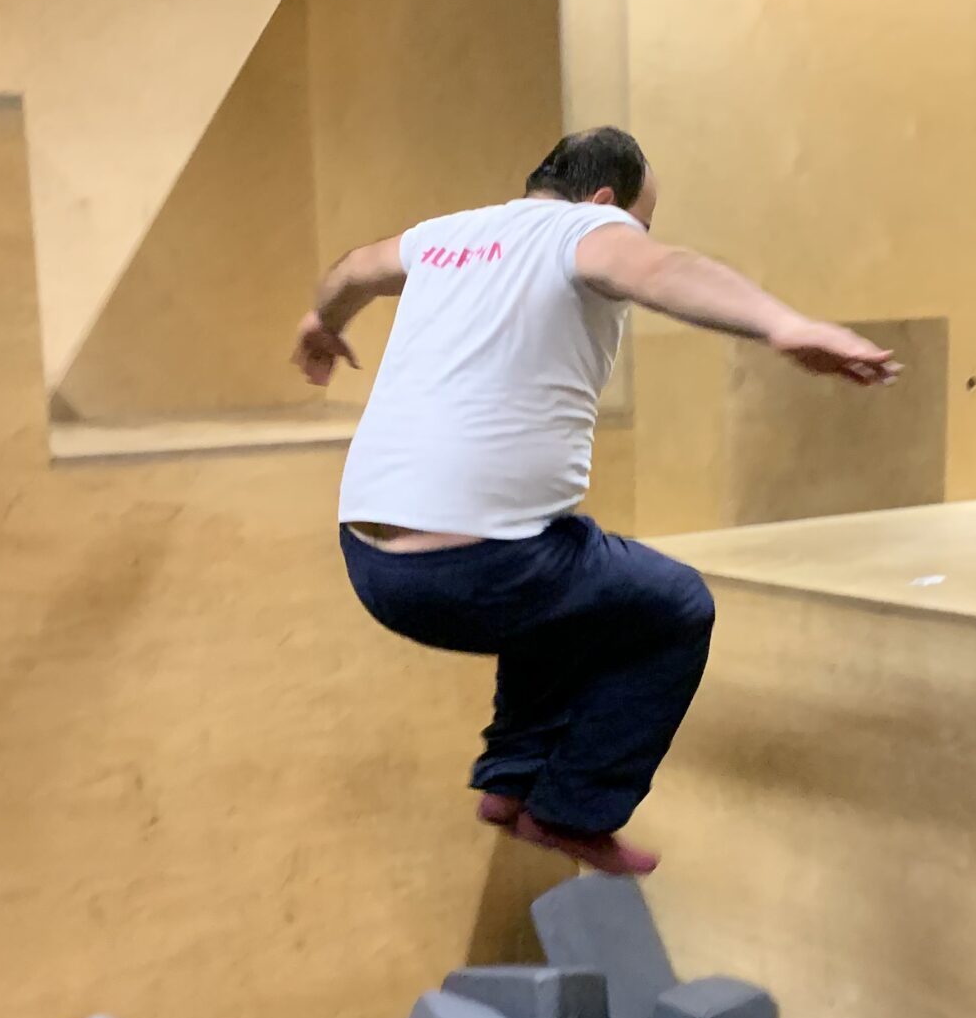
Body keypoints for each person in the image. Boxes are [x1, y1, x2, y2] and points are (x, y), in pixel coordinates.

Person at [294, 126, 897, 877]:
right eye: (637, 222)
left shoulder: (444, 236)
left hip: (371, 562)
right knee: (674, 607)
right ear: (606, 200)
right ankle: (574, 808)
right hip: (477, 568)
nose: (633, 238)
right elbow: (663, 269)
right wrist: (785, 323)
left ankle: (512, 781)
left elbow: (353, 269)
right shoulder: (587, 228)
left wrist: (325, 322)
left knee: (569, 575)